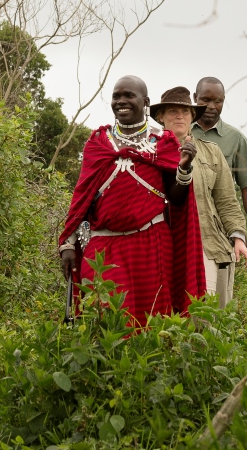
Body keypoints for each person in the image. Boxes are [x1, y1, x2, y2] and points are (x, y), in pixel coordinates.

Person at [58, 76, 206, 327]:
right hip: (103, 247)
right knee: (103, 322)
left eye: (129, 96)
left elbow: (177, 200)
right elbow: (81, 198)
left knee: (151, 325)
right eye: (117, 96)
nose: (121, 102)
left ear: (146, 102)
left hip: (151, 244)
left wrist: (183, 168)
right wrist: (68, 244)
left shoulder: (163, 144)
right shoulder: (97, 143)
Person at [150, 86, 247, 308]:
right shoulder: (148, 152)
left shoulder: (212, 152)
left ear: (193, 116)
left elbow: (226, 200)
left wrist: (238, 238)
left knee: (206, 317)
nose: (180, 116)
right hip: (161, 246)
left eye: (185, 112)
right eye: (172, 111)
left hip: (206, 245)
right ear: (160, 117)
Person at [192, 76, 247, 256]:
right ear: (195, 98)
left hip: (221, 229)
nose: (211, 106)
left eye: (218, 101)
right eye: (205, 100)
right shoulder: (179, 132)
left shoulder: (235, 139)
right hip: (186, 224)